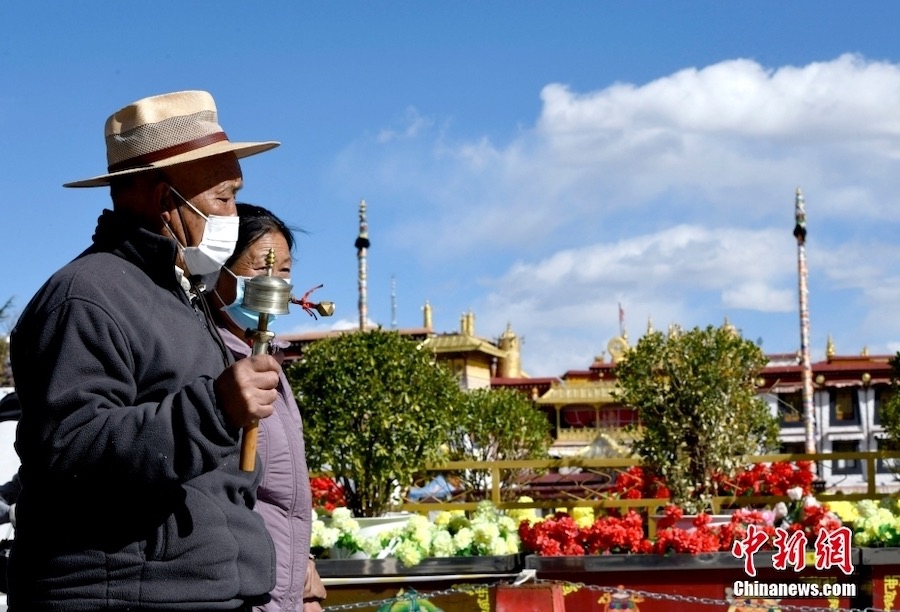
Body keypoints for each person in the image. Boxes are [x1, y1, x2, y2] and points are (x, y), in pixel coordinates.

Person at [9, 90, 284, 611]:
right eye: (224, 198)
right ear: (164, 200)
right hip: (123, 597)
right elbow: (68, 450)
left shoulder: (180, 296)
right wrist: (215, 408)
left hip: (200, 593)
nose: (233, 213)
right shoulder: (85, 296)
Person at [207, 203, 326, 612]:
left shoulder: (270, 362)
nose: (276, 283)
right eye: (261, 269)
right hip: (241, 592)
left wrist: (307, 588)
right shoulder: (213, 361)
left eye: (286, 271)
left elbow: (284, 496)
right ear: (217, 270)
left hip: (283, 593)